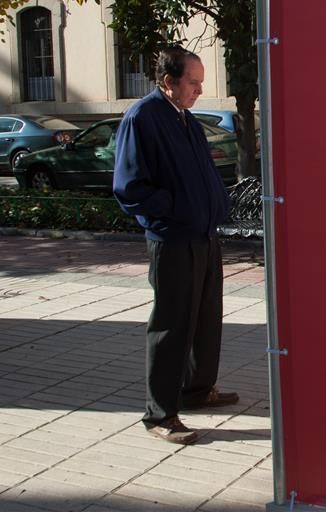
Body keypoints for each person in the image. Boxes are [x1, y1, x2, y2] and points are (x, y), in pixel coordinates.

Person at [113, 46, 238, 445]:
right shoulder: (143, 118)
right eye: (193, 82)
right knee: (171, 326)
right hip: (172, 239)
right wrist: (174, 211)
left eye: (202, 81)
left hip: (203, 236)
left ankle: (198, 390)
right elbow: (129, 188)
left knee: (205, 318)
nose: (200, 89)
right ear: (168, 82)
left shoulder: (186, 119)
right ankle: (160, 414)